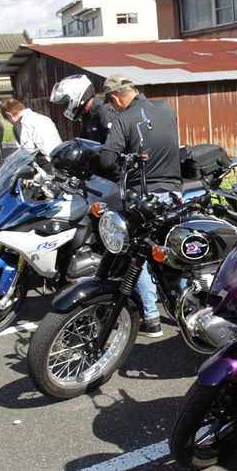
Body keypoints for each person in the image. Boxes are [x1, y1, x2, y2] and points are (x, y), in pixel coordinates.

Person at [100, 73, 182, 338]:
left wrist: (118, 161)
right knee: (172, 249)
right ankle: (185, 307)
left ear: (115, 98)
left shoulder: (123, 118)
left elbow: (105, 161)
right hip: (174, 192)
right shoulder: (166, 107)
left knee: (140, 254)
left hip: (143, 196)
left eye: (111, 104)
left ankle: (151, 317)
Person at [49, 74, 116, 144]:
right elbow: (82, 143)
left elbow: (115, 145)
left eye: (66, 102)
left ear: (76, 93)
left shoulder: (104, 112)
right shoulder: (87, 117)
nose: (66, 106)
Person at [0, 98, 62, 169]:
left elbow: (27, 155)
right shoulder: (43, 118)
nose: (11, 123)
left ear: (9, 115)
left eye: (8, 120)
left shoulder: (21, 124)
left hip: (47, 166)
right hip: (60, 161)